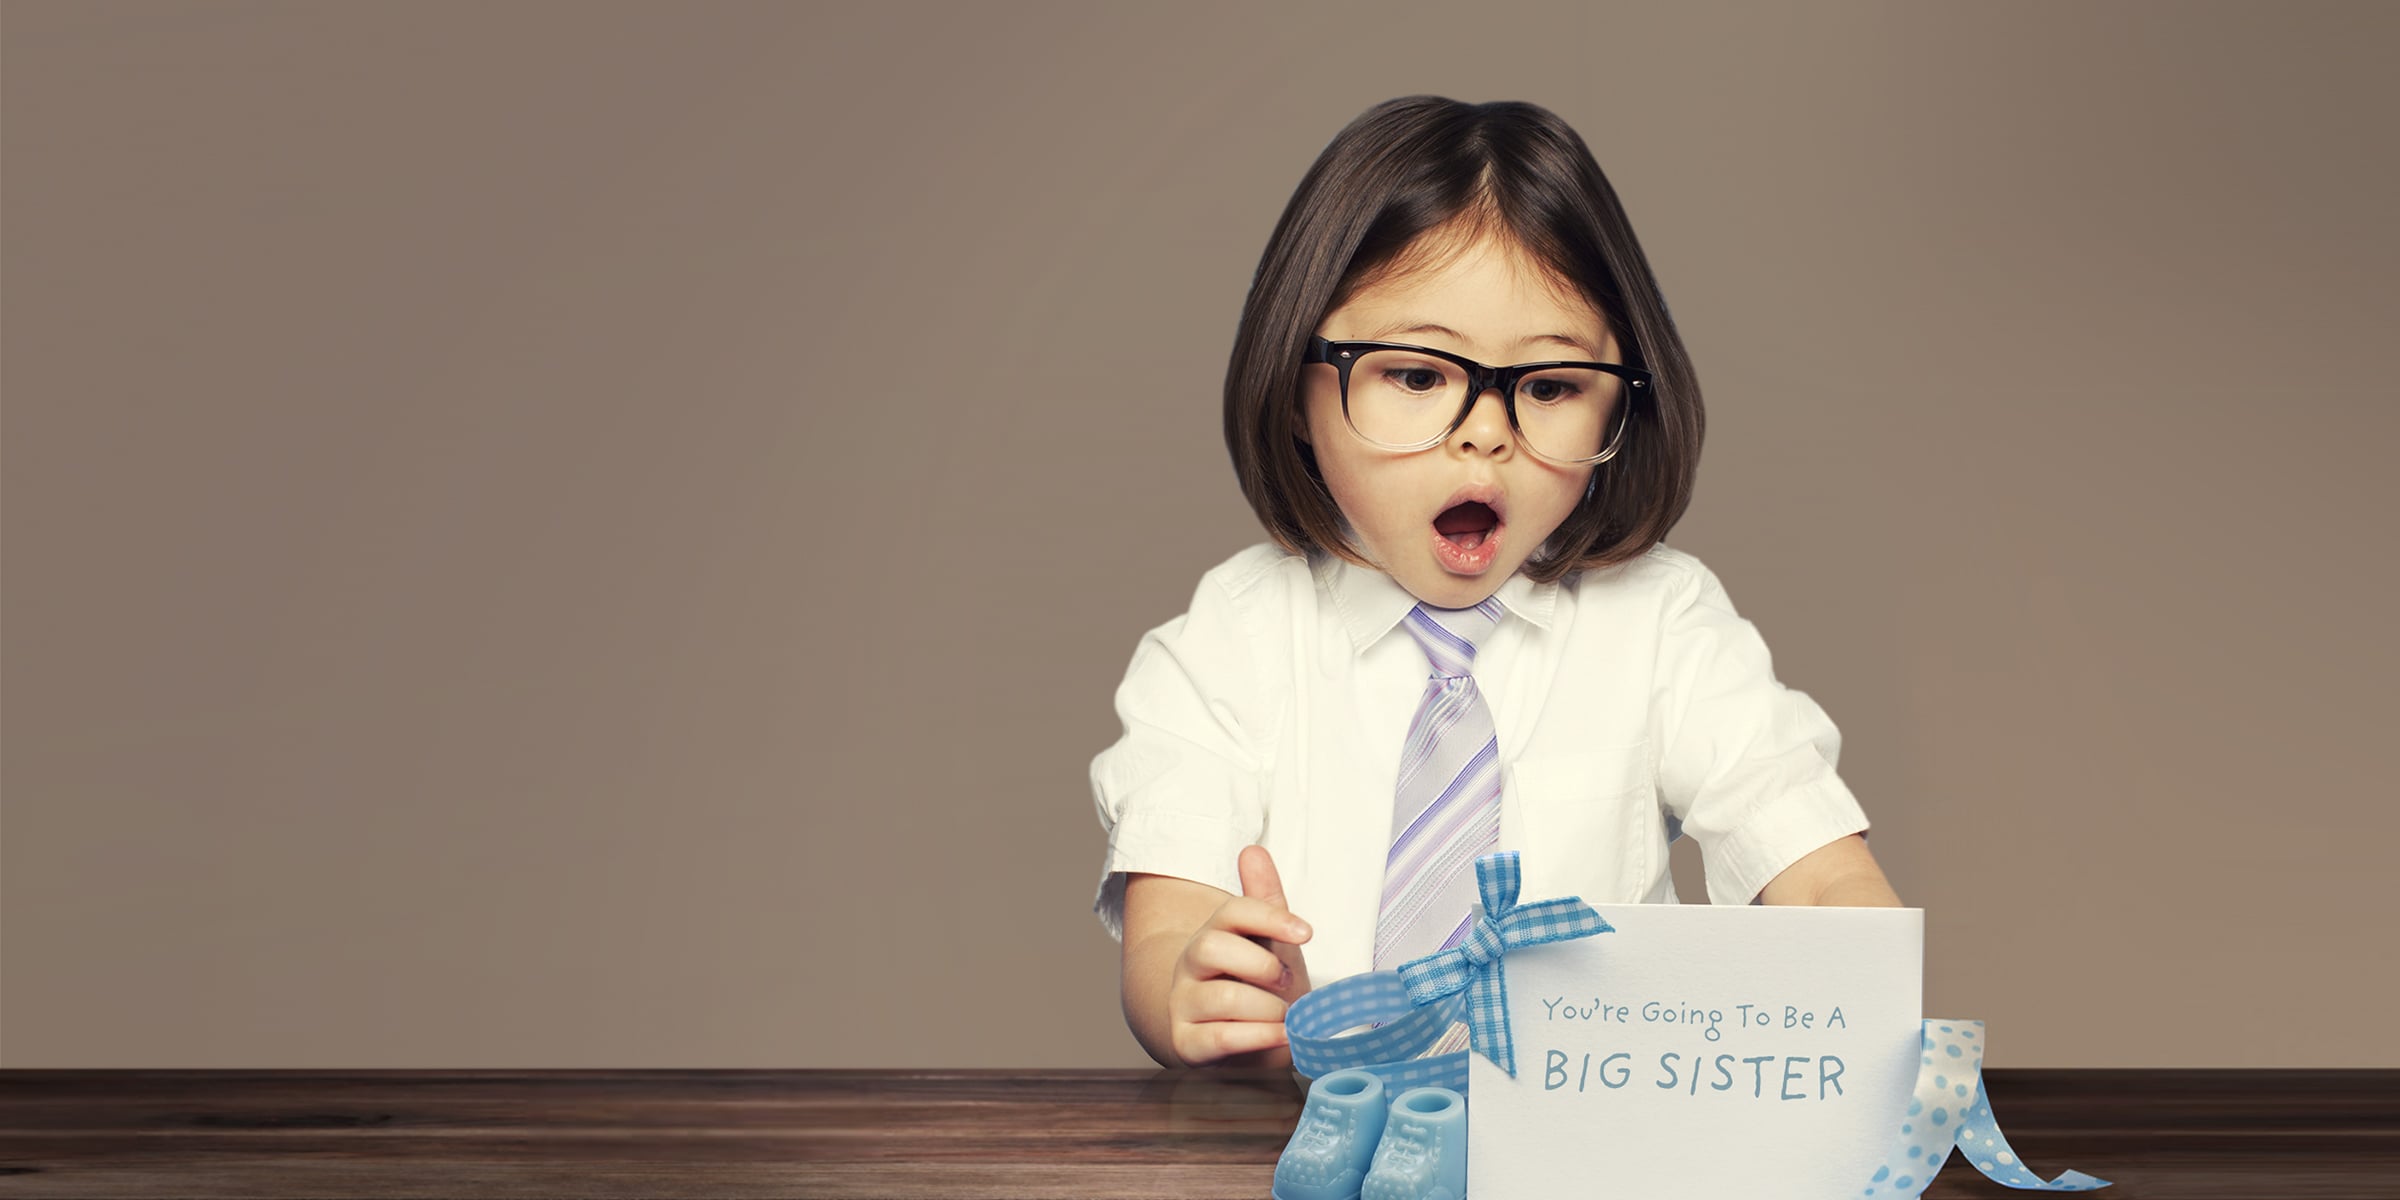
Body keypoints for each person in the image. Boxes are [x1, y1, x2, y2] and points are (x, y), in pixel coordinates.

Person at [1090, 95, 1903, 1073]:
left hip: (1593, 1151)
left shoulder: (1663, 625)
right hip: (1310, 1138)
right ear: (1297, 388)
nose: (1486, 430)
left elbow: (1811, 867)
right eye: (1417, 375)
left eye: (1551, 386)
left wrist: (1867, 988)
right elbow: (1168, 922)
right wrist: (1201, 985)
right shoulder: (1231, 640)